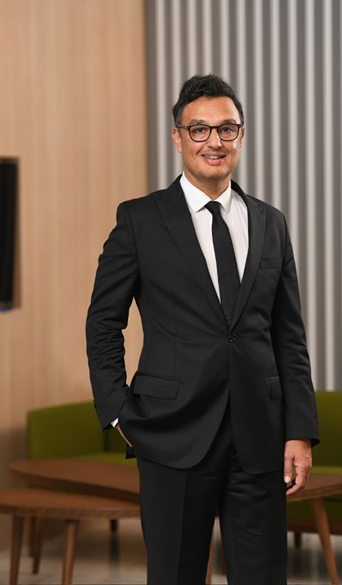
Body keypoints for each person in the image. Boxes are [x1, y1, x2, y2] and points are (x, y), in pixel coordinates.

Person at [86, 74, 319, 585]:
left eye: (226, 129)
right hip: (171, 432)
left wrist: (299, 430)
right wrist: (117, 410)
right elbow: (103, 322)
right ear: (178, 137)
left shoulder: (271, 223)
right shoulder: (140, 221)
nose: (214, 141)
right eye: (199, 129)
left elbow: (289, 336)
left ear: (241, 136)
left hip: (260, 436)